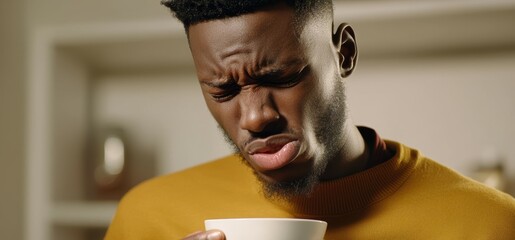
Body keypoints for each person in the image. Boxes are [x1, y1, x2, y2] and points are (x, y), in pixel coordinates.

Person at [105, 1, 515, 239]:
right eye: (222, 91)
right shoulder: (145, 219)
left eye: (281, 77)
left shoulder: (490, 225)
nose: (255, 117)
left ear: (344, 53)